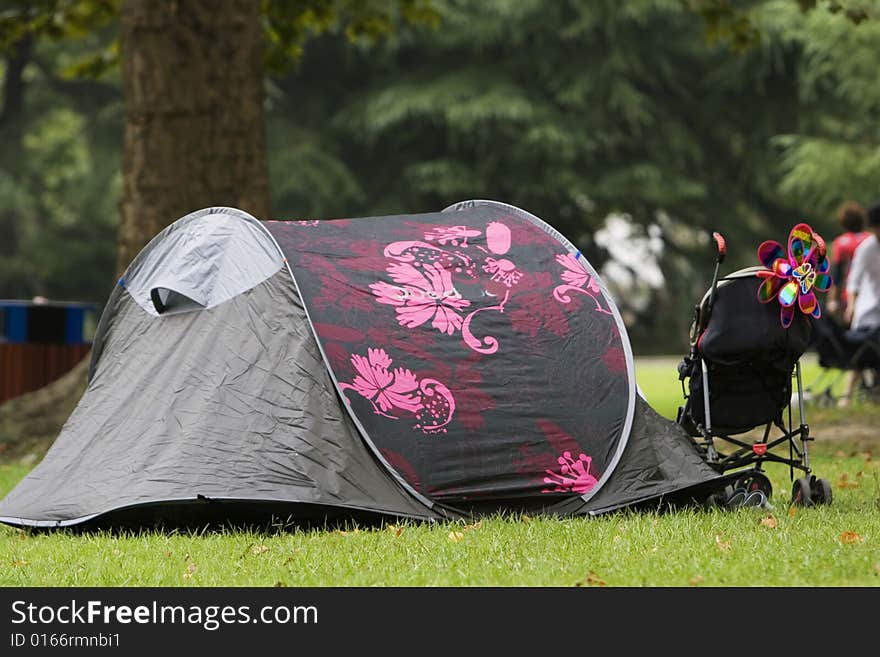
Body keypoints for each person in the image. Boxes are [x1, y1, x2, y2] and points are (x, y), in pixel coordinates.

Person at [840, 201, 880, 406]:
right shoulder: (866, 248)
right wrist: (852, 305)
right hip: (869, 308)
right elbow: (854, 280)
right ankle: (846, 396)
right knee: (862, 351)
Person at [827, 201, 870, 319]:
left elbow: (837, 275)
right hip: (872, 294)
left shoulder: (841, 243)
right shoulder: (871, 239)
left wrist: (833, 301)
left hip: (849, 297)